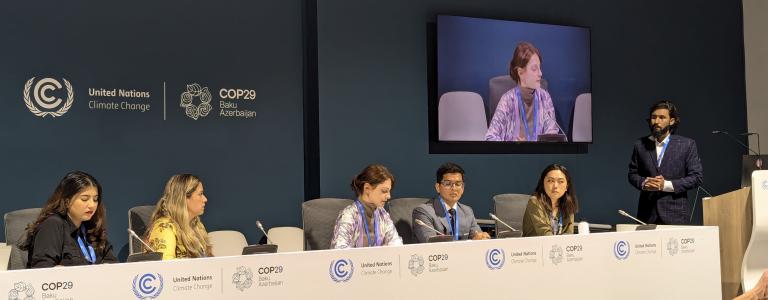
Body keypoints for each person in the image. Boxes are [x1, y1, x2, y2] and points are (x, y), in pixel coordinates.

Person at [628, 100, 703, 225]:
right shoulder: (640, 145)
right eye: (654, 117)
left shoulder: (687, 145)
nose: (656, 121)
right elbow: (632, 174)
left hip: (676, 216)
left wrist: (666, 185)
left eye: (662, 117)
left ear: (672, 121)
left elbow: (696, 177)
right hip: (646, 215)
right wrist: (644, 182)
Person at [20, 171, 117, 268]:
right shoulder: (53, 225)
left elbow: (113, 264)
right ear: (66, 201)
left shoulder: (92, 228)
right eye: (84, 199)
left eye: (95, 199)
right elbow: (43, 268)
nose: (92, 205)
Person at [485, 41, 562, 141]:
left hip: (539, 156)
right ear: (520, 73)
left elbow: (552, 135)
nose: (540, 73)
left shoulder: (544, 97)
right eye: (534, 69)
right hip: (513, 155)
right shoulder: (507, 100)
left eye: (540, 68)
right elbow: (490, 137)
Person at [412, 163, 490, 242]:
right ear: (438, 187)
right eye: (448, 184)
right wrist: (470, 242)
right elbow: (431, 244)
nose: (454, 188)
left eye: (458, 184)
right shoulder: (423, 212)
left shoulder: (467, 211)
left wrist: (482, 238)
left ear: (462, 188)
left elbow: (478, 237)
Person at [331, 164, 403, 248]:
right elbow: (339, 251)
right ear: (367, 188)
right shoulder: (349, 215)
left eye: (389, 191)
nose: (389, 196)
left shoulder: (383, 215)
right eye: (384, 191)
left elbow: (397, 246)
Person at [145, 174, 212, 259]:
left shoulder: (197, 226)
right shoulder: (164, 228)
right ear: (184, 198)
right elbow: (164, 268)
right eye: (200, 194)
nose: (205, 199)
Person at [522, 164, 578, 237]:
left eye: (560, 181)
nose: (555, 186)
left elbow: (569, 234)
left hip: (558, 247)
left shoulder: (568, 204)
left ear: (566, 187)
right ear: (543, 184)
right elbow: (545, 234)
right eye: (550, 181)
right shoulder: (535, 201)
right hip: (535, 246)